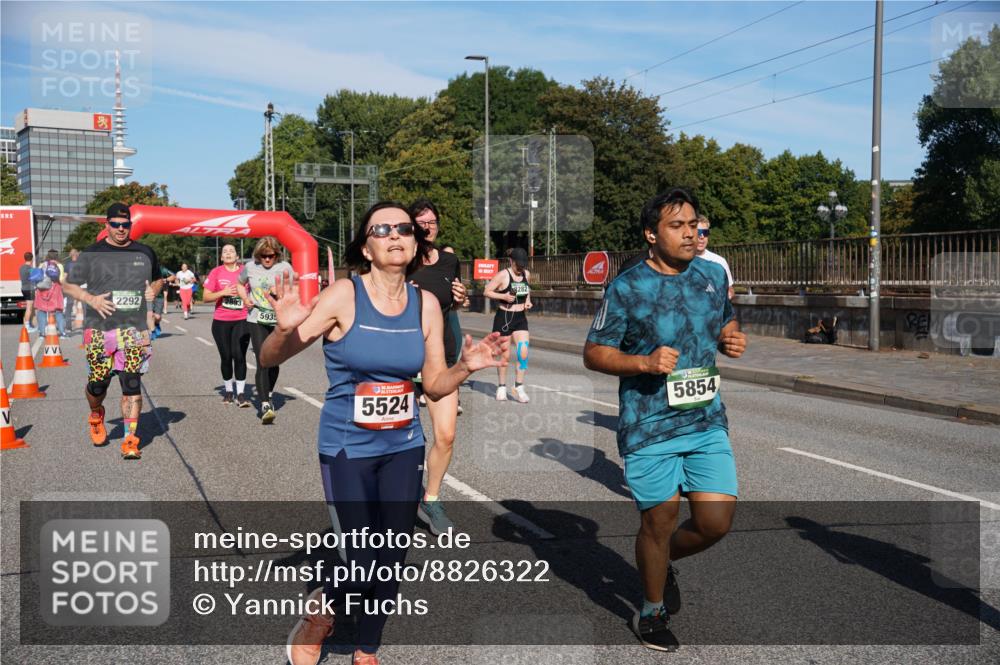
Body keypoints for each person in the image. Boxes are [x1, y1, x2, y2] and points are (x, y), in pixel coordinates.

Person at [260, 202, 505, 665]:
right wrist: (282, 328)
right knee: (361, 556)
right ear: (366, 246)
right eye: (383, 229)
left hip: (402, 445)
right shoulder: (343, 296)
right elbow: (272, 359)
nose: (396, 235)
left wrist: (465, 368)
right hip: (347, 445)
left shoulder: (426, 304)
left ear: (415, 243)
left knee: (392, 553)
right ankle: (322, 608)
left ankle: (366, 648)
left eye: (405, 229)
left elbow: (432, 385)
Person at [583, 188, 747, 652]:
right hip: (649, 423)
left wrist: (732, 340)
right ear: (651, 235)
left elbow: (725, 325)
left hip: (705, 419)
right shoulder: (627, 287)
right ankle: (651, 611)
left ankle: (660, 559)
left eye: (694, 224)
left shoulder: (712, 274)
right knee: (660, 519)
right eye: (678, 226)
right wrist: (644, 364)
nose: (690, 233)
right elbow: (594, 353)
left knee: (716, 522)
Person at [63, 202, 163, 460]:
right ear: (106, 225)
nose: (121, 229)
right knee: (98, 384)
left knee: (132, 383)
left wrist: (155, 289)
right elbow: (68, 286)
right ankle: (96, 414)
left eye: (125, 224)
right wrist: (91, 299)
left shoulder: (145, 252)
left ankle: (131, 438)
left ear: (131, 225)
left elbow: (158, 278)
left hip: (134, 328)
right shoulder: (91, 253)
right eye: (116, 225)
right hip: (99, 329)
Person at [407, 199, 468, 535]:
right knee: (404, 439)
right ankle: (398, 494)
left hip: (438, 359)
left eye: (432, 221)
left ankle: (431, 498)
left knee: (446, 435)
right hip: (402, 359)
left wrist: (460, 297)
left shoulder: (449, 260)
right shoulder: (400, 260)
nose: (428, 226)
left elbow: (453, 304)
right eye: (421, 222)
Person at [238, 236, 293, 424]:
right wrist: (245, 299)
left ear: (277, 254)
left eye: (271, 256)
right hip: (257, 318)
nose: (267, 259)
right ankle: (265, 405)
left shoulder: (285, 268)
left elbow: (295, 287)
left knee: (274, 360)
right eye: (264, 256)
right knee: (262, 359)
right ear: (258, 255)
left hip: (278, 318)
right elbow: (239, 283)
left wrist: (284, 294)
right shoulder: (250, 267)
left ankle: (267, 391)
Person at [203, 244, 251, 406]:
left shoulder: (246, 271)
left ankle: (241, 394)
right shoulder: (216, 272)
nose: (228, 253)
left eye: (231, 251)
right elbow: (206, 297)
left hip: (242, 319)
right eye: (225, 252)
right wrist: (222, 293)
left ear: (237, 256)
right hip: (221, 321)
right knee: (226, 356)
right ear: (222, 257)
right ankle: (229, 391)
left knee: (239, 355)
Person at [484, 247, 532, 402]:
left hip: (520, 318)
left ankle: (519, 386)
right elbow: (487, 291)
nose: (520, 269)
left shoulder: (526, 274)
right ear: (511, 261)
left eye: (523, 265)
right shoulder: (503, 275)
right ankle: (502, 386)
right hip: (504, 317)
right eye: (518, 265)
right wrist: (503, 295)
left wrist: (528, 301)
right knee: (504, 355)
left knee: (523, 352)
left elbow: (527, 290)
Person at [696, 215, 735, 300]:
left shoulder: (719, 261)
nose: (702, 237)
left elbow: (730, 289)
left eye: (705, 233)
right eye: (698, 232)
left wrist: (728, 294)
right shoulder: (680, 262)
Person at [33, 251, 66, 337]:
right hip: (55, 290)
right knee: (58, 311)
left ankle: (41, 333)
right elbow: (61, 280)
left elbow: (36, 277)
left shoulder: (42, 265)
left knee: (42, 311)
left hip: (42, 290)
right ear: (56, 257)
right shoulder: (59, 266)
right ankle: (62, 332)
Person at [19, 252, 37, 332]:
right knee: (29, 308)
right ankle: (27, 327)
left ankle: (28, 325)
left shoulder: (21, 267)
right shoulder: (30, 269)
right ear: (32, 259)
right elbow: (35, 280)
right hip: (29, 289)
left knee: (28, 307)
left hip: (23, 288)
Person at [63, 248, 79, 330]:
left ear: (71, 255)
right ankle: (87, 326)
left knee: (69, 306)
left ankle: (68, 326)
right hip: (80, 287)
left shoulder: (68, 264)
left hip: (70, 287)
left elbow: (65, 277)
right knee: (85, 307)